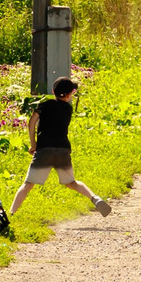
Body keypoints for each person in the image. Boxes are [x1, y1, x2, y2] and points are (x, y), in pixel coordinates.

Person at [11, 77, 114, 217]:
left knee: (28, 184)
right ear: (69, 94)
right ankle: (95, 199)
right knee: (71, 182)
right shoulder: (68, 109)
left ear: (53, 91)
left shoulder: (45, 105)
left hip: (45, 150)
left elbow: (32, 122)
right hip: (62, 150)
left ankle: (11, 213)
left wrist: (33, 144)